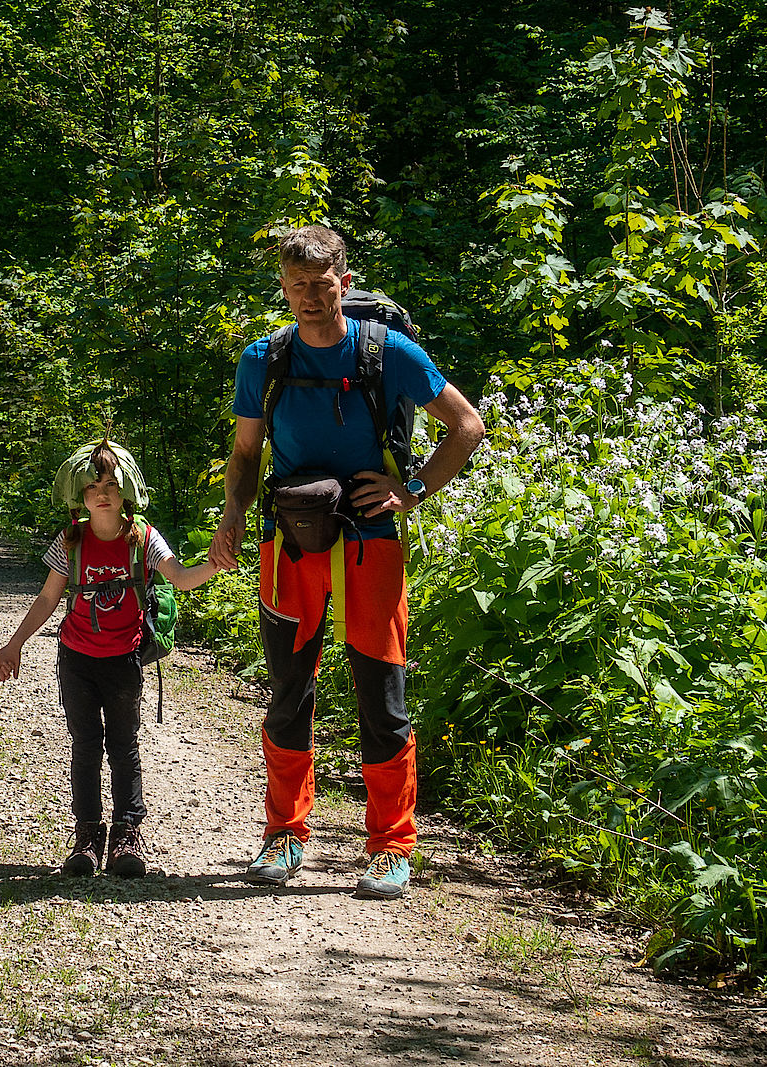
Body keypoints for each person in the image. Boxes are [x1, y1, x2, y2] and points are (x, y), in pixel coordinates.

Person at [207, 225, 485, 898]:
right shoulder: (263, 359)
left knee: (379, 694)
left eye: (322, 284)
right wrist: (234, 512)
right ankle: (284, 834)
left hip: (371, 541)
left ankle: (391, 846)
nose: (309, 297)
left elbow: (467, 424)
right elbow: (245, 456)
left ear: (345, 283)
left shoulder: (389, 351)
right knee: (287, 692)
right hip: (288, 542)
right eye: (296, 285)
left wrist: (411, 488)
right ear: (283, 287)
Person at [0, 439, 222, 877]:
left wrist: (214, 562)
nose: (103, 492)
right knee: (85, 746)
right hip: (76, 657)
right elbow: (46, 599)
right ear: (81, 493)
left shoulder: (143, 537)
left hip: (124, 659)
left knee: (123, 745)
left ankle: (127, 834)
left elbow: (181, 578)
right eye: (94, 484)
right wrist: (14, 644)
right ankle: (88, 835)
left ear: (126, 492)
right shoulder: (71, 540)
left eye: (112, 484)